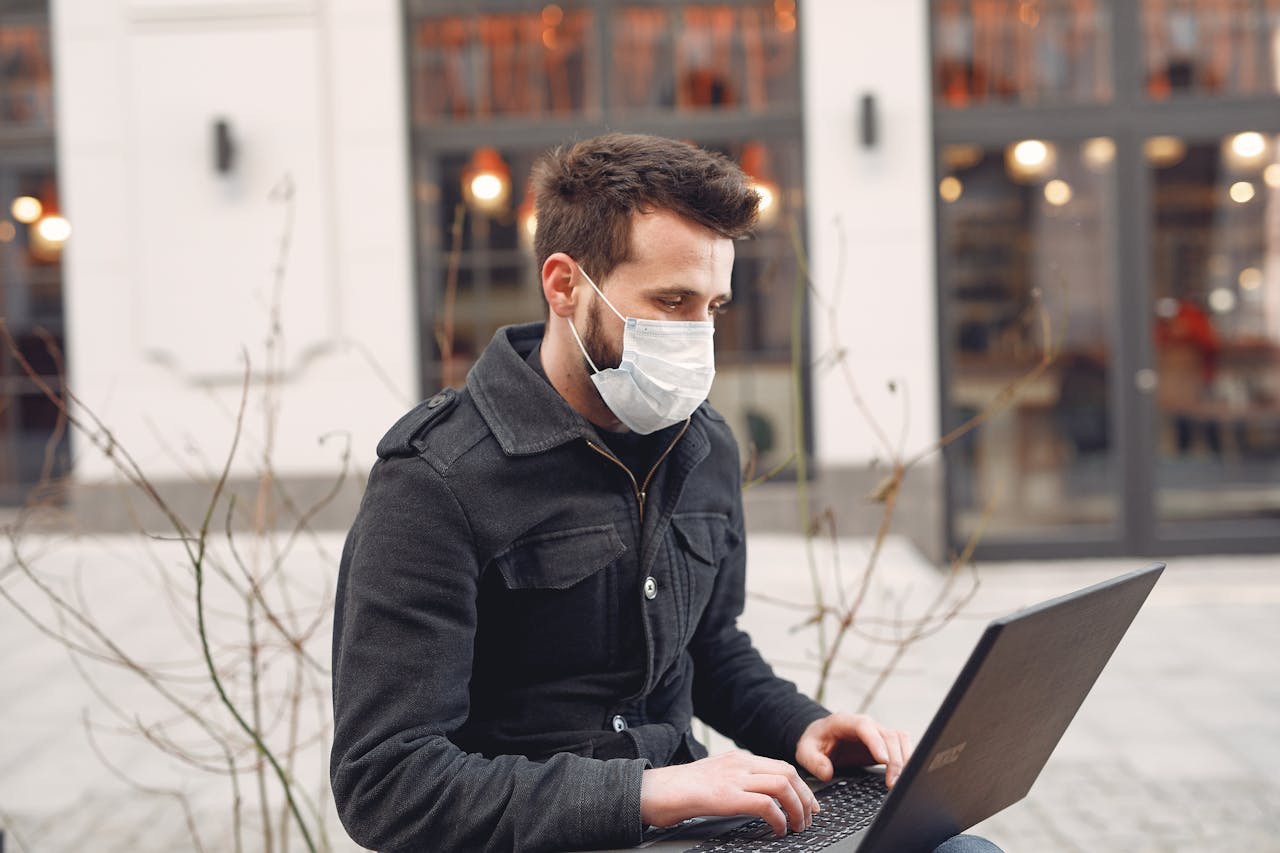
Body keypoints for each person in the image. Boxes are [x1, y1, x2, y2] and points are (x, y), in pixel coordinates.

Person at [330, 133, 1001, 853]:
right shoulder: (435, 480)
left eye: (713, 307)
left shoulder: (703, 444)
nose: (697, 336)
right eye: (672, 301)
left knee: (957, 850)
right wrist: (646, 793)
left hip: (691, 831)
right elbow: (386, 783)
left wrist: (802, 726)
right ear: (564, 285)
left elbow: (708, 648)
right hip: (553, 841)